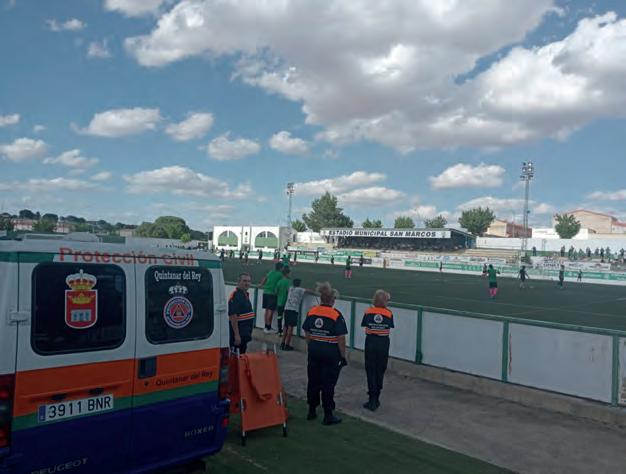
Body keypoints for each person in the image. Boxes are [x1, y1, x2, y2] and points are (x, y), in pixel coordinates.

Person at [302, 282, 348, 425]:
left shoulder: (312, 311)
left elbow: (307, 331)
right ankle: (328, 414)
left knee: (313, 381)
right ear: (332, 300)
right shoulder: (335, 314)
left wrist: (311, 343)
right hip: (330, 353)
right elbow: (341, 338)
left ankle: (311, 410)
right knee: (328, 383)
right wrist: (343, 356)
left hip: (314, 350)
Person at [361, 290, 393, 411]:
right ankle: (377, 396)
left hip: (370, 341)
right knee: (380, 369)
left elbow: (365, 324)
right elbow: (389, 326)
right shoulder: (389, 313)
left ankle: (372, 398)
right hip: (383, 342)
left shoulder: (368, 311)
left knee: (370, 370)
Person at [281, 278, 312, 351]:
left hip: (287, 308)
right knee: (290, 327)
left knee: (285, 326)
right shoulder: (300, 289)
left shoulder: (290, 288)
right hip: (293, 310)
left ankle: (282, 343)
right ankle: (287, 345)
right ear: (299, 284)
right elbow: (309, 291)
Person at [228, 273, 255, 354]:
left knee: (242, 355)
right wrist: (237, 335)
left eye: (249, 281)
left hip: (244, 334)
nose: (247, 283)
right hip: (239, 335)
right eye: (244, 281)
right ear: (238, 282)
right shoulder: (236, 296)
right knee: (236, 357)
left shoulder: (245, 295)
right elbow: (233, 317)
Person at [258, 262, 284, 333]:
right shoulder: (280, 274)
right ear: (281, 268)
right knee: (270, 311)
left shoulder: (271, 272)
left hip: (265, 292)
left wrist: (261, 284)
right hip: (272, 293)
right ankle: (268, 327)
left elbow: (265, 278)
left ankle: (266, 326)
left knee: (266, 310)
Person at [275, 267, 292, 336]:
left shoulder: (279, 282)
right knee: (286, 317)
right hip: (287, 303)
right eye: (290, 273)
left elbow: (276, 291)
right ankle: (285, 331)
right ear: (287, 274)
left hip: (279, 302)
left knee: (279, 316)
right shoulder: (289, 282)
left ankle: (279, 330)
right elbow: (289, 291)